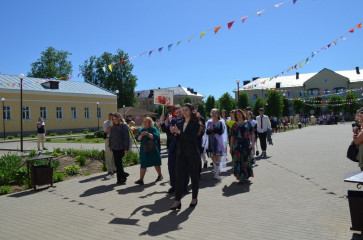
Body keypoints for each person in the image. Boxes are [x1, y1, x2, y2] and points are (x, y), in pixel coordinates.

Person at [170, 103, 201, 210]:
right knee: (179, 177)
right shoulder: (179, 122)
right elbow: (176, 140)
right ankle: (177, 201)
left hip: (192, 153)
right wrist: (174, 133)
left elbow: (192, 138)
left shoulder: (196, 123)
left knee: (194, 176)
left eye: (186, 110)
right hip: (180, 153)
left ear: (191, 111)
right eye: (183, 110)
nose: (184, 112)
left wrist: (179, 132)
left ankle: (194, 198)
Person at [160, 105, 189, 194]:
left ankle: (184, 187)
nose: (179, 114)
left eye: (180, 112)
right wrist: (162, 122)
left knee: (184, 168)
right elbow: (167, 129)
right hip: (173, 148)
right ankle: (174, 186)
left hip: (184, 148)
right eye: (176, 113)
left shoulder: (187, 120)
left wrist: (177, 130)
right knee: (171, 167)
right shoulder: (173, 120)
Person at [135, 117, 163, 185]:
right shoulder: (141, 129)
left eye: (146, 121)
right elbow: (138, 139)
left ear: (150, 122)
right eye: (144, 121)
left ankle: (160, 175)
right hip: (144, 150)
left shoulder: (153, 129)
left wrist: (147, 134)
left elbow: (156, 137)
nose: (144, 123)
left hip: (152, 149)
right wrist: (141, 135)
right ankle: (141, 180)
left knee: (156, 163)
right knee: (143, 164)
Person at [230, 109, 254, 181]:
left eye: (240, 114)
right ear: (235, 116)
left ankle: (245, 175)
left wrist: (252, 143)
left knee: (246, 161)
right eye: (237, 114)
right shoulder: (234, 125)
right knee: (237, 161)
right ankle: (240, 177)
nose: (239, 116)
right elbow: (232, 137)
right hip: (236, 146)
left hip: (246, 145)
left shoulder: (247, 123)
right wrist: (231, 147)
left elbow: (252, 133)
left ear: (243, 114)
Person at [204, 108, 227, 180]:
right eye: (212, 113)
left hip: (218, 142)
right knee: (212, 156)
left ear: (218, 114)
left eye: (215, 113)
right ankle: (216, 168)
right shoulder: (209, 122)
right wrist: (210, 130)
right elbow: (207, 132)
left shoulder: (220, 122)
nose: (214, 114)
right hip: (210, 142)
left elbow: (221, 132)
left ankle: (216, 173)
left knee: (217, 156)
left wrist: (213, 129)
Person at [109, 113, 130, 185]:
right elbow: (110, 137)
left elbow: (127, 138)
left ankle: (120, 179)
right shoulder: (112, 127)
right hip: (114, 147)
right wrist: (110, 146)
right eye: (113, 119)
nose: (115, 120)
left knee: (118, 163)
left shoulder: (123, 126)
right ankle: (123, 176)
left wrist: (126, 148)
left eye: (116, 119)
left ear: (119, 119)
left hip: (121, 147)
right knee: (117, 164)